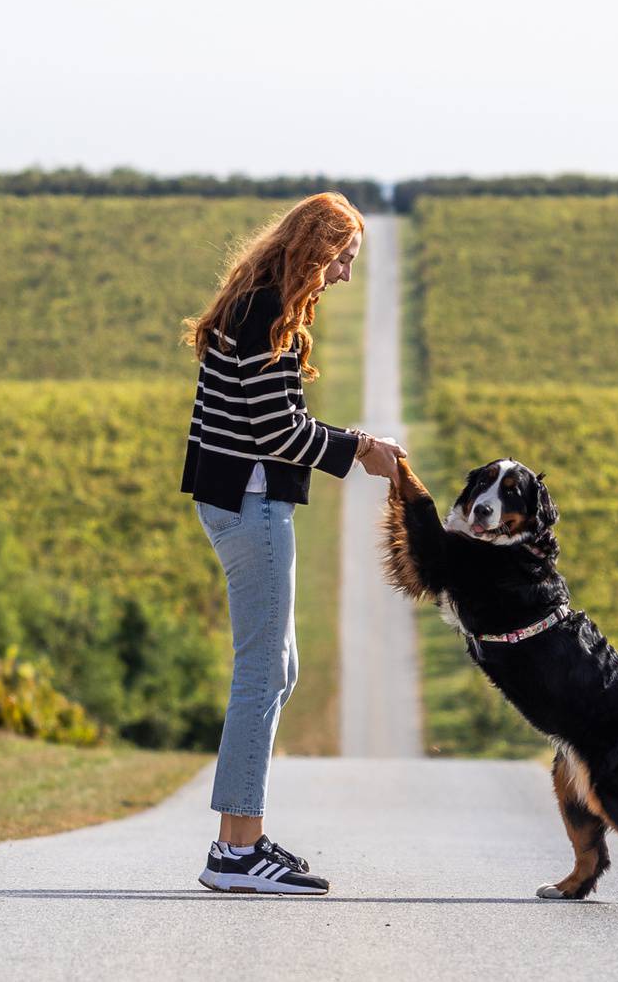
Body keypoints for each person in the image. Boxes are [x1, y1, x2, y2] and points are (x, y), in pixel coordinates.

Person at [179, 191, 406, 894]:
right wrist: (361, 448)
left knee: (278, 669)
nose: (343, 273)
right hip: (252, 505)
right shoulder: (266, 313)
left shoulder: (255, 303)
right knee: (261, 672)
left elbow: (264, 420)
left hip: (236, 500)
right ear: (315, 246)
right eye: (342, 257)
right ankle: (234, 850)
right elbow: (280, 434)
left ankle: (243, 837)